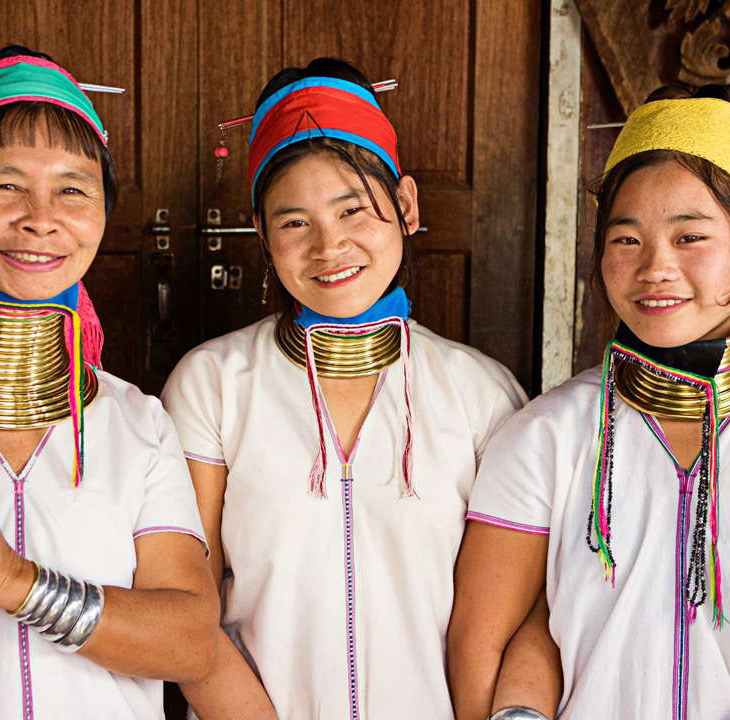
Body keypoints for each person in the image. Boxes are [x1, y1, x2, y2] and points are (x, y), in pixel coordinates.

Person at [450, 85, 730, 720]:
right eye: (627, 240)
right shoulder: (543, 434)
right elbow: (487, 642)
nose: (656, 267)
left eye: (690, 237)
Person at [160, 58, 544, 719]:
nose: (329, 245)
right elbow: (187, 606)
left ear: (407, 206)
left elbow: (510, 618)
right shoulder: (212, 386)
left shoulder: (483, 396)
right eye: (294, 222)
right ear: (262, 236)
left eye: (353, 210)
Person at [0, 46, 220, 719]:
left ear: (104, 216)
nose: (40, 217)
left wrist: (10, 579)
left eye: (73, 189)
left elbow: (191, 643)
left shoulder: (137, 424)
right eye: (4, 185)